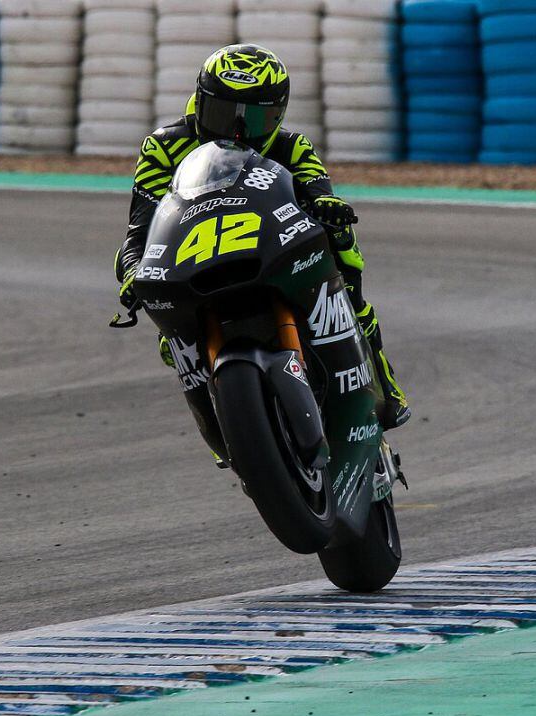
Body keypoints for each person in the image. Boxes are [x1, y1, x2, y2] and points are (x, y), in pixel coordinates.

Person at [114, 44, 410, 431]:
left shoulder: (292, 145)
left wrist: (326, 206)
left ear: (278, 115)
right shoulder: (163, 146)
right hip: (193, 248)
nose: (236, 131)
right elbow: (141, 226)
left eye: (254, 120)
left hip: (270, 239)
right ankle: (217, 412)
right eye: (223, 114)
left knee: (343, 245)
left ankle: (380, 375)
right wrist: (135, 271)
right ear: (200, 103)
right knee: (165, 328)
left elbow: (320, 191)